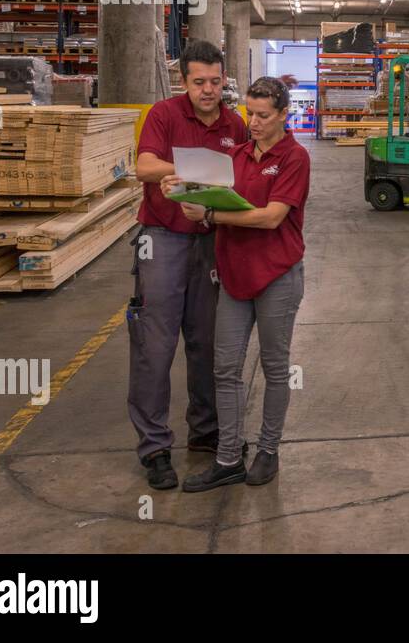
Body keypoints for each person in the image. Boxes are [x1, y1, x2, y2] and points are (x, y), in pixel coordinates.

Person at [169, 76, 310, 491]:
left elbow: (271, 217)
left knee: (274, 366)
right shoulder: (240, 155)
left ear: (284, 114)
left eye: (264, 115)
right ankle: (229, 457)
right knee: (226, 367)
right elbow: (218, 197)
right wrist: (184, 192)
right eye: (250, 113)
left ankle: (268, 451)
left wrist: (212, 218)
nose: (254, 122)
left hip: (277, 275)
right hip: (234, 275)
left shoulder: (294, 158)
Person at [129, 40, 247, 490]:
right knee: (155, 346)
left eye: (216, 82)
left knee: (208, 343)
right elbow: (142, 166)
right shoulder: (163, 114)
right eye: (199, 82)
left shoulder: (233, 123)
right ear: (184, 82)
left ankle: (206, 431)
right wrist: (178, 171)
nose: (208, 90)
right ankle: (155, 447)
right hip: (162, 240)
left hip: (211, 241)